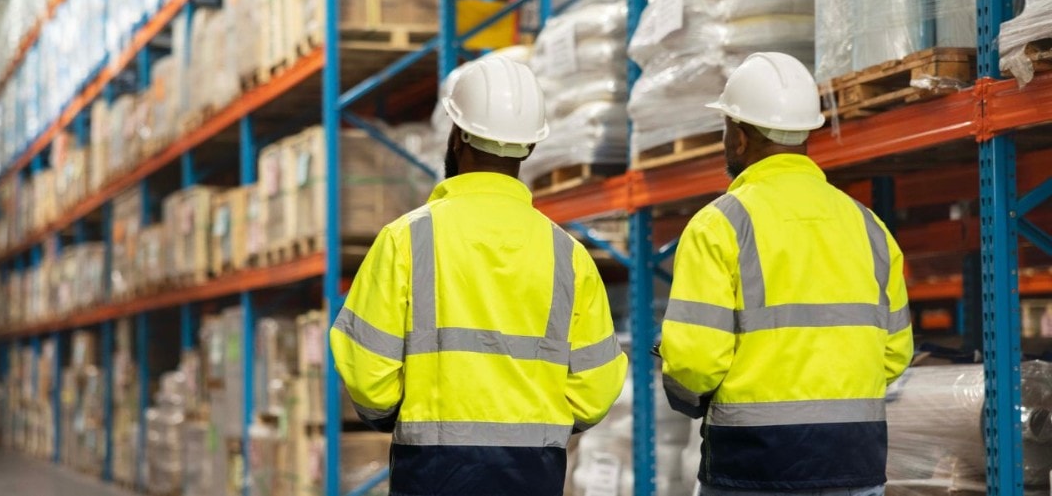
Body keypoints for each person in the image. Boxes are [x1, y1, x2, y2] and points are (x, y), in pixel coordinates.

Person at [330, 56, 628, 496]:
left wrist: (402, 414)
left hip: (432, 472)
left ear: (456, 135)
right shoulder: (569, 255)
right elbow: (596, 387)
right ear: (529, 147)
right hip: (533, 473)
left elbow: (368, 374)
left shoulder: (405, 240)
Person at [659, 52, 913, 496]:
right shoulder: (869, 226)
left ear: (738, 137)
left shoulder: (720, 224)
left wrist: (686, 398)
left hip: (753, 463)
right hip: (856, 460)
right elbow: (894, 355)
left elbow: (694, 361)